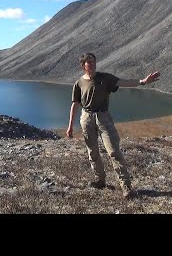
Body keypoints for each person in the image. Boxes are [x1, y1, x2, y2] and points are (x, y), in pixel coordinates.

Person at [66, 52, 160, 199]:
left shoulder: (105, 78)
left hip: (104, 117)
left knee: (114, 151)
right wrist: (70, 125)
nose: (92, 64)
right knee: (92, 152)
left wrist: (143, 82)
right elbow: (75, 104)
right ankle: (100, 180)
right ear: (83, 65)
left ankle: (126, 186)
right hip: (86, 117)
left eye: (94, 61)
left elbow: (124, 82)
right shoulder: (78, 83)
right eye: (89, 62)